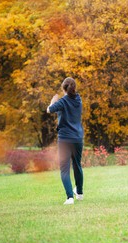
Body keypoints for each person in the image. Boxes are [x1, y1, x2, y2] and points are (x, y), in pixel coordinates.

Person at [47, 77, 84, 205]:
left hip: (65, 139)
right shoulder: (79, 100)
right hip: (78, 138)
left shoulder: (62, 102)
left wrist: (52, 101)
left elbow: (49, 110)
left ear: (64, 89)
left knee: (64, 169)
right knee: (77, 165)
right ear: (74, 88)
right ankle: (79, 193)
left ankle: (70, 198)